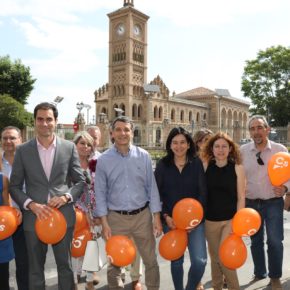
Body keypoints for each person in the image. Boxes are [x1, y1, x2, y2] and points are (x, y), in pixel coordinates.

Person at [9, 102, 86, 290]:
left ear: (56, 121)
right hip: (33, 218)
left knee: (65, 268)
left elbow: (80, 181)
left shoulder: (69, 147)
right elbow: (14, 186)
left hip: (63, 217)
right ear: (35, 122)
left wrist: (66, 197)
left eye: (49, 119)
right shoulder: (23, 150)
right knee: (35, 270)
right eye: (40, 119)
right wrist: (30, 204)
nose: (44, 123)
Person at [94, 115, 162, 290]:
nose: (122, 133)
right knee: (114, 264)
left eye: (126, 129)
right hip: (115, 218)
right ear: (111, 133)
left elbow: (151, 188)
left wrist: (156, 216)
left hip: (142, 217)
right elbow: (100, 193)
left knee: (150, 261)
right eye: (118, 129)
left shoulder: (144, 156)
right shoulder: (103, 160)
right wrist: (104, 222)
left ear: (132, 133)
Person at [240, 115, 290, 290]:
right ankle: (260, 271)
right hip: (250, 203)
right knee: (255, 241)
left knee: (275, 241)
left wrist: (285, 189)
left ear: (267, 129)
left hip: (273, 203)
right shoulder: (243, 151)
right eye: (253, 129)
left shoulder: (280, 149)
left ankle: (275, 277)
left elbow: (289, 174)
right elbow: (237, 176)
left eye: (260, 127)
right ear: (250, 132)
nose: (256, 132)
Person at [154, 127, 207, 290]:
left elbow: (202, 193)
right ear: (169, 145)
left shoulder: (196, 163)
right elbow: (157, 193)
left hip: (195, 222)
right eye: (174, 142)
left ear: (189, 144)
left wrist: (194, 220)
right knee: (176, 260)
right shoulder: (163, 165)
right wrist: (165, 217)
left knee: (200, 261)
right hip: (171, 221)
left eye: (183, 142)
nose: (179, 146)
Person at [201, 132, 245, 290]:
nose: (220, 150)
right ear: (211, 149)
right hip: (210, 221)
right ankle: (217, 287)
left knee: (224, 257)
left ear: (230, 149)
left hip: (230, 220)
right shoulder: (205, 165)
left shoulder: (237, 167)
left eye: (224, 146)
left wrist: (237, 223)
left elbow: (241, 197)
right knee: (215, 258)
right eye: (217, 146)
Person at [1, 126, 29, 290]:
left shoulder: (29, 162)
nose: (8, 141)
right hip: (2, 221)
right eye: (5, 138)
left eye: (12, 138)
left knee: (24, 264)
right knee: (2, 267)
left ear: (21, 140)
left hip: (24, 220)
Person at [72, 131, 101, 290]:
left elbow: (102, 189)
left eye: (89, 144)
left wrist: (98, 214)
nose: (85, 147)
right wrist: (82, 214)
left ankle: (89, 282)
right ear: (74, 144)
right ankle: (75, 280)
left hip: (94, 212)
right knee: (76, 247)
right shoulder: (67, 164)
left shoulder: (96, 164)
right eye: (82, 143)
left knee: (92, 248)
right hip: (75, 213)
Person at [0, 170, 15, 290]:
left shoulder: (3, 179)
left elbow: (6, 207)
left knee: (3, 274)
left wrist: (14, 215)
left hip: (1, 231)